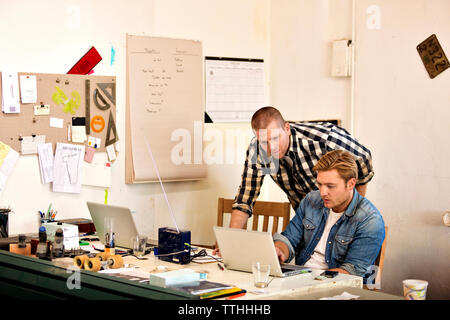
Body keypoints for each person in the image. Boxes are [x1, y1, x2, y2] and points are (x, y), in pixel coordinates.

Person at [230, 106, 374, 230]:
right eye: (264, 142)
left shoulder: (323, 139)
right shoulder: (259, 151)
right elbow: (245, 198)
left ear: (286, 128)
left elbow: (364, 159)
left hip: (340, 217)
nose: (271, 147)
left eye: (275, 138)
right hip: (307, 222)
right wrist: (229, 240)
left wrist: (352, 212)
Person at [273, 150, 385, 279]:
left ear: (351, 184)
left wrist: (313, 279)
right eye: (320, 184)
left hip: (336, 287)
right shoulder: (311, 200)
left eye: (330, 186)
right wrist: (279, 249)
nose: (322, 192)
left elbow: (353, 271)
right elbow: (289, 239)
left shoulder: (370, 220)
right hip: (301, 278)